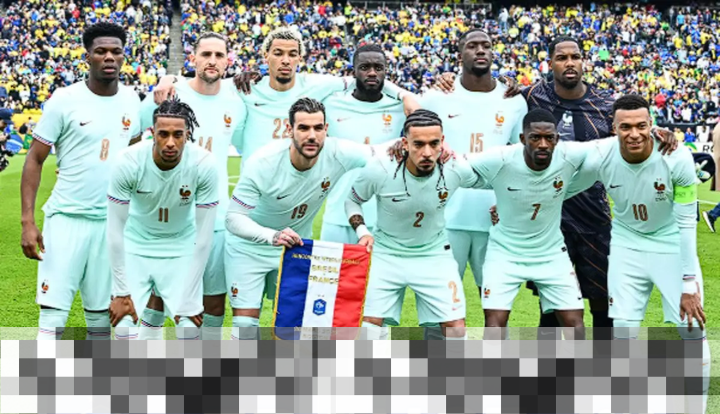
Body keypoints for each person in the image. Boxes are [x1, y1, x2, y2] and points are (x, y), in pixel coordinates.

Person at [224, 98, 424, 340]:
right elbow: (234, 218)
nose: (312, 136)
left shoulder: (338, 152)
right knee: (245, 325)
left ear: (326, 129)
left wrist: (426, 146)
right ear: (289, 130)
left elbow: (381, 151)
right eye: (303, 128)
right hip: (249, 249)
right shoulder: (263, 163)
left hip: (294, 249)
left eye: (318, 128)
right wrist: (272, 236)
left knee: (294, 326)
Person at [565, 94, 709, 413]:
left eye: (641, 126)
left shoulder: (676, 157)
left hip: (671, 244)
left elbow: (687, 222)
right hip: (627, 244)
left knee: (692, 328)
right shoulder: (600, 153)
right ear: (613, 128)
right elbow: (562, 180)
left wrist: (688, 283)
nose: (634, 134)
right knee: (623, 331)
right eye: (625, 127)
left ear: (651, 125)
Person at [20, 22, 142, 340]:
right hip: (66, 219)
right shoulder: (64, 99)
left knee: (101, 317)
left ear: (124, 56)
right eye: (101, 51)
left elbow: (136, 158)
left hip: (112, 224)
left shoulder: (132, 100)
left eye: (116, 51)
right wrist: (27, 221)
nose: (109, 57)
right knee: (53, 315)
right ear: (87, 56)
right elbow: (34, 159)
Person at [417, 29, 527, 339]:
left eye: (486, 45)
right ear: (459, 54)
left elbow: (521, 157)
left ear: (493, 52)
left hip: (494, 218)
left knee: (495, 307)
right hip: (444, 217)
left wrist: (510, 202)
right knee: (439, 302)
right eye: (472, 46)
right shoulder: (437, 97)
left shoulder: (513, 100)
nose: (480, 50)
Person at [138, 32, 247, 340]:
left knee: (213, 301)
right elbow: (133, 133)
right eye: (206, 54)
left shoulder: (237, 102)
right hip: (171, 218)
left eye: (219, 55)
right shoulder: (170, 93)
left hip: (217, 218)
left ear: (227, 61)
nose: (212, 60)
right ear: (193, 58)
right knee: (158, 297)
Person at [345, 109, 479, 340]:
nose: (427, 152)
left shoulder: (455, 167)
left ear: (442, 142)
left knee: (456, 329)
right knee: (368, 328)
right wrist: (362, 232)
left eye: (434, 143)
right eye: (418, 144)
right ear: (405, 143)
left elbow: (488, 181)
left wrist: (500, 205)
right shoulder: (380, 168)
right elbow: (352, 200)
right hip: (386, 254)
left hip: (434, 255)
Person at [107, 96, 219, 341]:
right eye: (163, 134)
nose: (170, 142)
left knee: (189, 328)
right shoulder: (128, 161)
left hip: (181, 248)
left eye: (178, 135)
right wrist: (121, 292)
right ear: (152, 133)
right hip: (136, 246)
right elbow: (114, 230)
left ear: (188, 134)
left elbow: (203, 237)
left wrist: (190, 295)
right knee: (124, 326)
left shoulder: (204, 163)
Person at [320, 43, 407, 244]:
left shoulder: (400, 107)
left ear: (386, 72)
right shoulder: (330, 104)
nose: (372, 73)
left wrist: (405, 95)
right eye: (365, 67)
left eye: (378, 68)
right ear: (353, 72)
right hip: (336, 216)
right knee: (331, 267)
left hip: (383, 221)